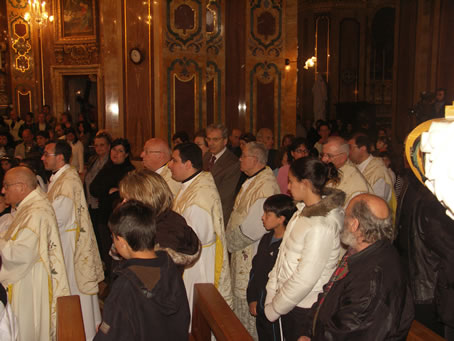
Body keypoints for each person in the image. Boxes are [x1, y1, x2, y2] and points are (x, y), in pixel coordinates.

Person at [299, 194, 414, 341]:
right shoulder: (362, 251)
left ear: (354, 224)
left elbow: (347, 334)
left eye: (346, 216)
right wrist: (308, 330)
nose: (342, 222)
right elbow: (328, 293)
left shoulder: (371, 281)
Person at [265, 157, 345, 341]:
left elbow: (305, 278)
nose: (288, 187)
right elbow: (284, 255)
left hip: (304, 307)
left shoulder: (321, 225)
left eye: (292, 182)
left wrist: (276, 307)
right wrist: (272, 289)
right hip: (288, 302)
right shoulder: (302, 210)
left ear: (305, 183)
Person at [94, 200, 190, 341]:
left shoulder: (126, 286)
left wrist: (103, 332)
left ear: (121, 242)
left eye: (113, 238)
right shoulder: (168, 264)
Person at [42, 140, 104, 340]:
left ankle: (80, 331)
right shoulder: (60, 177)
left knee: (73, 287)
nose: (42, 158)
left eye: (46, 154)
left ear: (60, 157)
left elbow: (57, 217)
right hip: (63, 238)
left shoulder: (68, 181)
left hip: (68, 243)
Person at [0, 166, 70, 341]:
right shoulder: (30, 206)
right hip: (28, 276)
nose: (3, 191)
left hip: (29, 281)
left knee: (27, 328)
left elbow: (20, 255)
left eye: (6, 186)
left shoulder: (35, 212)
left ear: (21, 187)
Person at [169, 142, 232, 314]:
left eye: (174, 161)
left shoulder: (199, 197)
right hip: (191, 261)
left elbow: (196, 237)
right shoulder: (191, 184)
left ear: (188, 164)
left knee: (195, 313)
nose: (169, 165)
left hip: (197, 265)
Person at [226, 141, 280, 338]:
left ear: (255, 159)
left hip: (252, 251)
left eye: (243, 156)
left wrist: (228, 243)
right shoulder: (253, 180)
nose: (240, 159)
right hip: (242, 252)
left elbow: (255, 227)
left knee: (248, 313)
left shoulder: (265, 186)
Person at [395, 172, 454, 339]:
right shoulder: (426, 193)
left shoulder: (435, 198)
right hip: (421, 276)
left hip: (430, 283)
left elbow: (445, 251)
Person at [118, 168, 200, 272]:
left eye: (127, 199)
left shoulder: (164, 235)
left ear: (144, 200)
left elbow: (148, 280)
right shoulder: (159, 219)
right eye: (123, 199)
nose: (123, 204)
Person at [247, 194, 296, 341]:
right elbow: (255, 270)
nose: (262, 217)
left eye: (268, 214)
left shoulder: (288, 245)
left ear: (281, 219)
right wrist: (252, 298)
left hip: (274, 309)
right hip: (260, 305)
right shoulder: (266, 239)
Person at [90, 138, 135, 273]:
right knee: (104, 251)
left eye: (120, 151)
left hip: (118, 219)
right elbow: (93, 188)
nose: (115, 153)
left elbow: (123, 194)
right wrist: (108, 191)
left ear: (126, 154)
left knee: (117, 256)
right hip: (103, 215)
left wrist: (110, 192)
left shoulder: (129, 170)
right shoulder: (107, 167)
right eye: (114, 149)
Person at [202, 123, 241, 227]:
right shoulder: (207, 156)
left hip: (218, 214)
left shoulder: (233, 163)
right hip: (204, 210)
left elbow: (224, 197)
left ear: (225, 141)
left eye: (215, 140)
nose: (211, 143)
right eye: (208, 139)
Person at [321, 136, 372, 206]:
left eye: (329, 156)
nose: (323, 159)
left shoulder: (354, 182)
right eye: (322, 155)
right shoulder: (331, 168)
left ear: (343, 157)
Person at [84, 132, 112, 256]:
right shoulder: (93, 159)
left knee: (103, 235)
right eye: (96, 145)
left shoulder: (111, 162)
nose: (99, 148)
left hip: (102, 203)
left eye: (102, 145)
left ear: (108, 146)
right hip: (90, 201)